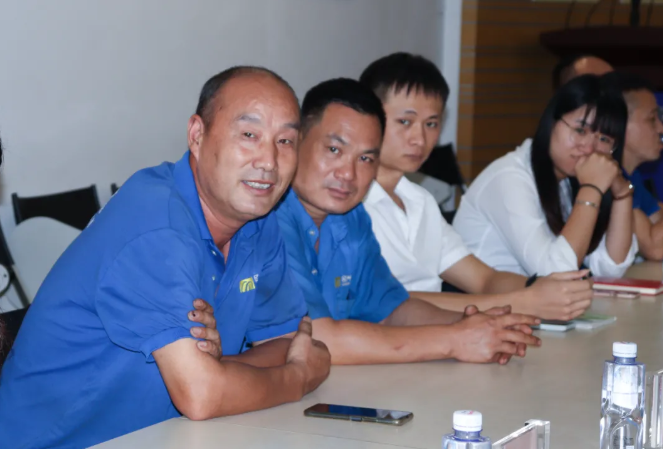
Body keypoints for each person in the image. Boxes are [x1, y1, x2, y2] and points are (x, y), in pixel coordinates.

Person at [0, 66, 331, 449]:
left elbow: (289, 341)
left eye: (285, 141)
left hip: (165, 436)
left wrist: (218, 374)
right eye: (249, 135)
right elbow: (203, 396)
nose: (269, 161)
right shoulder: (155, 224)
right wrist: (296, 379)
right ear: (197, 135)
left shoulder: (259, 220)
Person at [275, 77, 541, 367]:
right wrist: (454, 340)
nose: (348, 174)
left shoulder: (351, 218)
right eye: (334, 150)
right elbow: (316, 338)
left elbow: (392, 310)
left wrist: (478, 327)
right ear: (295, 142)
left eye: (365, 159)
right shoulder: (268, 219)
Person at [358, 52, 593, 320]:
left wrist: (542, 288)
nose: (420, 139)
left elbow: (484, 279)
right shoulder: (350, 203)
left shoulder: (420, 201)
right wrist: (523, 302)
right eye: (405, 122)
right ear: (368, 117)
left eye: (431, 124)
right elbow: (390, 300)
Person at [453, 74, 638, 278]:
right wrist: (591, 190)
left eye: (604, 139)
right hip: (480, 297)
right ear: (552, 123)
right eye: (580, 130)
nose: (588, 148)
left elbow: (610, 268)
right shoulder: (509, 178)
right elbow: (553, 274)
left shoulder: (566, 182)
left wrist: (622, 194)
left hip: (527, 297)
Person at [602, 72, 663, 260]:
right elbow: (654, 248)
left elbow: (657, 217)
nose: (661, 128)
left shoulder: (631, 175)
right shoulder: (607, 175)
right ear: (619, 124)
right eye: (652, 119)